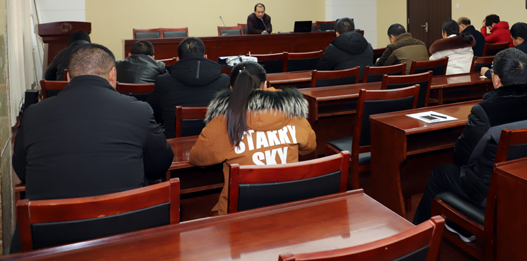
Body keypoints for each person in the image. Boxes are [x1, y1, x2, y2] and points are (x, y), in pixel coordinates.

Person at [12, 44, 173, 233]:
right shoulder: (139, 110)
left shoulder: (34, 114)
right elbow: (160, 163)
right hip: (125, 228)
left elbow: (22, 170)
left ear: (68, 77)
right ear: (112, 74)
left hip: (48, 233)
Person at [413, 49, 527, 227]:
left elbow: (463, 158)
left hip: (488, 190)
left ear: (496, 79)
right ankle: (459, 227)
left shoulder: (486, 111)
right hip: (526, 182)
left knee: (438, 174)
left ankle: (421, 231)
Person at [189, 64, 316, 215]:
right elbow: (309, 147)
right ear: (266, 84)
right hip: (287, 204)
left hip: (240, 211)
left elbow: (197, 158)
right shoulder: (294, 116)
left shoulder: (222, 123)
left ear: (231, 88)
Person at [148, 37, 230, 138]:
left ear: (178, 59)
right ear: (205, 56)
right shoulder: (224, 81)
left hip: (176, 143)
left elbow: (153, 113)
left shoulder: (163, 81)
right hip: (214, 142)